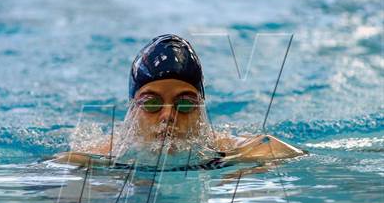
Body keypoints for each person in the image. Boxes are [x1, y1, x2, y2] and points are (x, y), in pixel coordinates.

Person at [56, 34, 304, 167]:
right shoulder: (108, 156)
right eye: (151, 104)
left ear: (201, 112)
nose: (168, 116)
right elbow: (57, 166)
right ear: (132, 111)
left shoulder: (218, 150)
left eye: (185, 104)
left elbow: (282, 149)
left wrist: (246, 163)